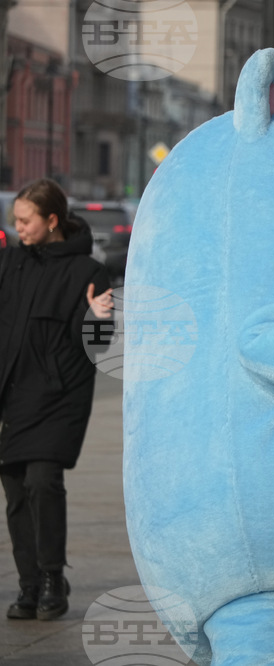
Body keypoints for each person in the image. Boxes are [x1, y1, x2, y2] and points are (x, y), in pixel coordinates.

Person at [0, 178, 115, 621]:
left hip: (59, 396)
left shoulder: (88, 273)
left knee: (42, 482)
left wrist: (99, 317)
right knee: (14, 491)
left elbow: (98, 346)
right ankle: (28, 584)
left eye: (25, 222)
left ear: (51, 221)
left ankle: (51, 577)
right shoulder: (11, 263)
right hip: (14, 393)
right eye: (15, 222)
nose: (18, 230)